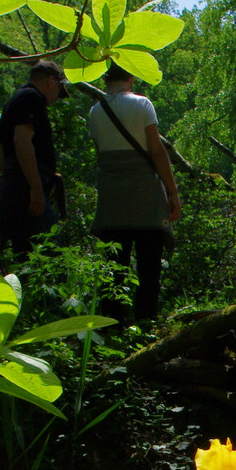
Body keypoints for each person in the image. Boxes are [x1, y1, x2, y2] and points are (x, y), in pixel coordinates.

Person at [87, 61, 180, 320]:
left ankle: (111, 328)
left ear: (106, 80)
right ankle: (145, 325)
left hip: (112, 201)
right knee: (149, 266)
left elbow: (100, 154)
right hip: (145, 198)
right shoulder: (142, 104)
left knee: (114, 268)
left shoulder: (95, 111)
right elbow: (157, 150)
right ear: (131, 78)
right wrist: (172, 192)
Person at [0, 60, 67, 256]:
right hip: (28, 194)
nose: (56, 98)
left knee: (25, 259)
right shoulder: (31, 97)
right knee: (53, 256)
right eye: (59, 89)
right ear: (50, 81)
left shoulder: (12, 102)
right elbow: (22, 141)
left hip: (11, 192)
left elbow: (0, 159)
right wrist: (35, 189)